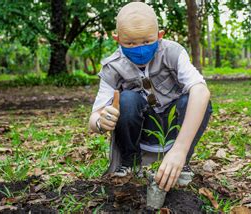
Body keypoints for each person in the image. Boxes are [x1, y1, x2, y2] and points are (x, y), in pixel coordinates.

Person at [88, 2, 211, 192]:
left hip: (173, 127)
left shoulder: (173, 52)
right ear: (117, 39)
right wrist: (100, 121)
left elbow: (201, 91)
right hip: (140, 129)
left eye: (146, 41)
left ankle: (181, 163)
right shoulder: (112, 67)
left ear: (159, 35)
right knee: (127, 99)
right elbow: (94, 117)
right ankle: (130, 163)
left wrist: (180, 149)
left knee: (193, 99)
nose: (139, 48)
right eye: (130, 43)